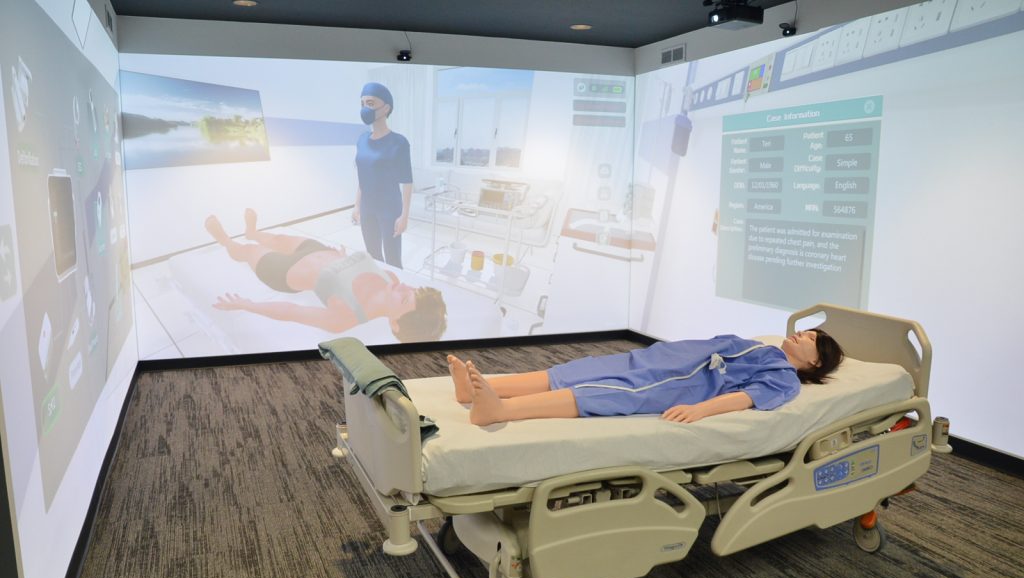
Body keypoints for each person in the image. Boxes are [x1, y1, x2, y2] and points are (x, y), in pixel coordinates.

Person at [448, 330, 843, 426]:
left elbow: (746, 398)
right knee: (579, 370)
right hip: (656, 358)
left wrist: (700, 410)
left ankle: (500, 412)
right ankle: (479, 389)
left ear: (815, 364)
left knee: (601, 391)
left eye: (811, 339)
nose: (802, 334)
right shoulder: (761, 346)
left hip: (678, 381)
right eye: (805, 331)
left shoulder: (785, 377)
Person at [205, 208, 446, 342]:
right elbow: (359, 270)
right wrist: (342, 257)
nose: (404, 287)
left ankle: (225, 240)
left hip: (284, 272)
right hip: (317, 250)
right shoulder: (391, 279)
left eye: (404, 299)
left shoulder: (345, 318)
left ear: (394, 324)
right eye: (413, 290)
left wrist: (247, 305)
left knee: (248, 251)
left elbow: (291, 312)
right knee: (277, 238)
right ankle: (253, 232)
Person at [353, 82, 413, 269]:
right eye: (362, 103)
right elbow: (362, 177)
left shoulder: (399, 142)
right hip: (367, 207)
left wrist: (404, 215)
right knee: (372, 255)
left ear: (386, 108)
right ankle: (379, 284)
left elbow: (407, 182)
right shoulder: (362, 140)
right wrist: (357, 205)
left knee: (393, 259)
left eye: (370, 103)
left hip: (389, 208)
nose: (365, 108)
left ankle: (397, 286)